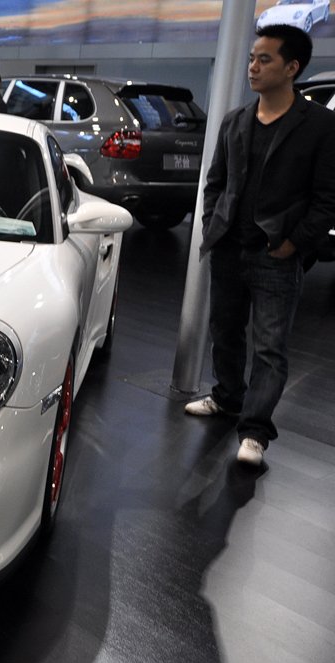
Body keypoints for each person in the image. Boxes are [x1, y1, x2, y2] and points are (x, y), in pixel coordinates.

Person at [184, 24, 335, 466]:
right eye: (252, 57)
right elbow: (216, 183)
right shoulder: (236, 120)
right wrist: (212, 224)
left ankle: (254, 432)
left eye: (264, 59)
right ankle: (227, 397)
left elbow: (328, 198)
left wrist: (295, 244)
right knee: (225, 332)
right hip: (229, 248)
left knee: (269, 347)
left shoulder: (320, 125)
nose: (252, 66)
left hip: (276, 255)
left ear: (292, 67)